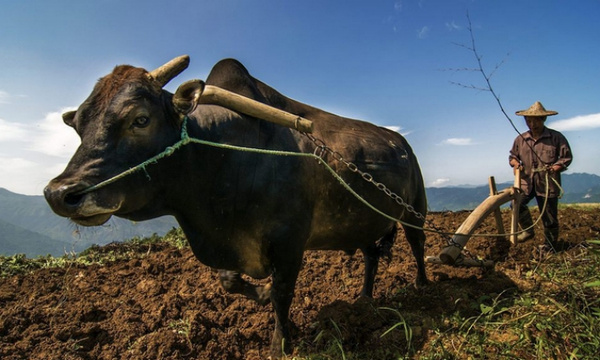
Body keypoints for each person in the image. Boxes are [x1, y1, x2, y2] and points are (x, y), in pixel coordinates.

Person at [509, 101, 573, 249]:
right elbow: (512, 156)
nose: (531, 123)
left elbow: (566, 157)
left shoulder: (556, 137)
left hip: (547, 183)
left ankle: (550, 246)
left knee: (549, 216)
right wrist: (515, 164)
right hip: (526, 182)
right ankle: (528, 231)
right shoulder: (521, 139)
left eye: (535, 120)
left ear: (543, 119)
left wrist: (556, 167)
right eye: (528, 120)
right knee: (516, 204)